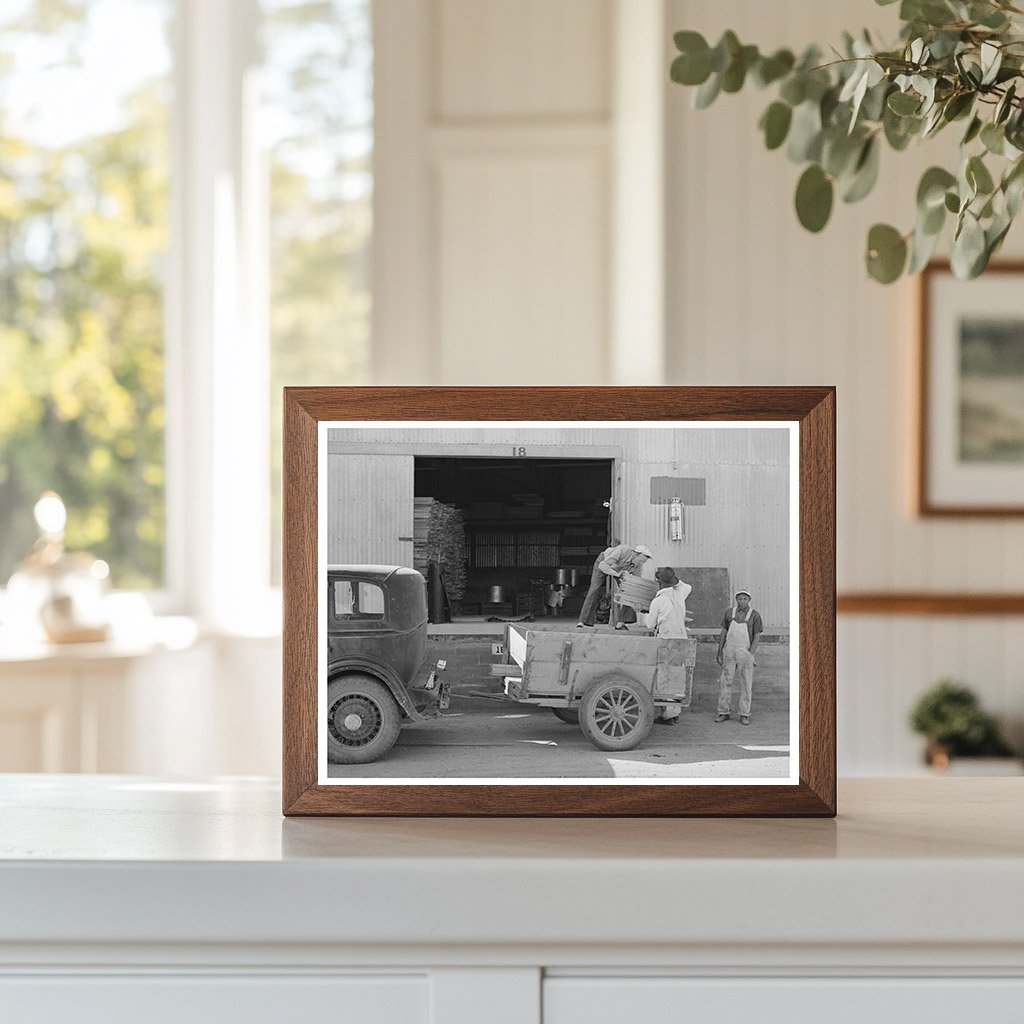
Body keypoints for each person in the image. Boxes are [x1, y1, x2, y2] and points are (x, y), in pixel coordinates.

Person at [644, 567, 693, 725]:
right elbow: (687, 586)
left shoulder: (658, 601)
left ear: (659, 583)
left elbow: (649, 624)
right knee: (677, 674)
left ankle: (669, 715)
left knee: (664, 675)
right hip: (681, 639)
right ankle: (674, 712)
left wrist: (643, 613)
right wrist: (674, 580)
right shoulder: (679, 594)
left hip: (666, 640)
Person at [715, 588, 763, 725]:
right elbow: (724, 632)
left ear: (749, 600)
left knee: (746, 683)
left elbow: (756, 636)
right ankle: (723, 712)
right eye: (740, 598)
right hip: (729, 650)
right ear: (736, 599)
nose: (742, 601)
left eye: (745, 599)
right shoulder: (729, 613)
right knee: (725, 681)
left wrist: (750, 654)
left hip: (745, 651)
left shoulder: (755, 615)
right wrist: (719, 652)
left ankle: (744, 714)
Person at [576, 543, 652, 628]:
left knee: (630, 591)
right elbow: (602, 565)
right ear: (636, 554)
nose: (641, 563)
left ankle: (621, 623)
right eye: (640, 561)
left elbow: (636, 585)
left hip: (618, 571)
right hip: (603, 563)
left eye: (643, 562)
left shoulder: (638, 566)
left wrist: (638, 603)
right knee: (594, 589)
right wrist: (616, 574)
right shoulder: (622, 550)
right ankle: (582, 621)